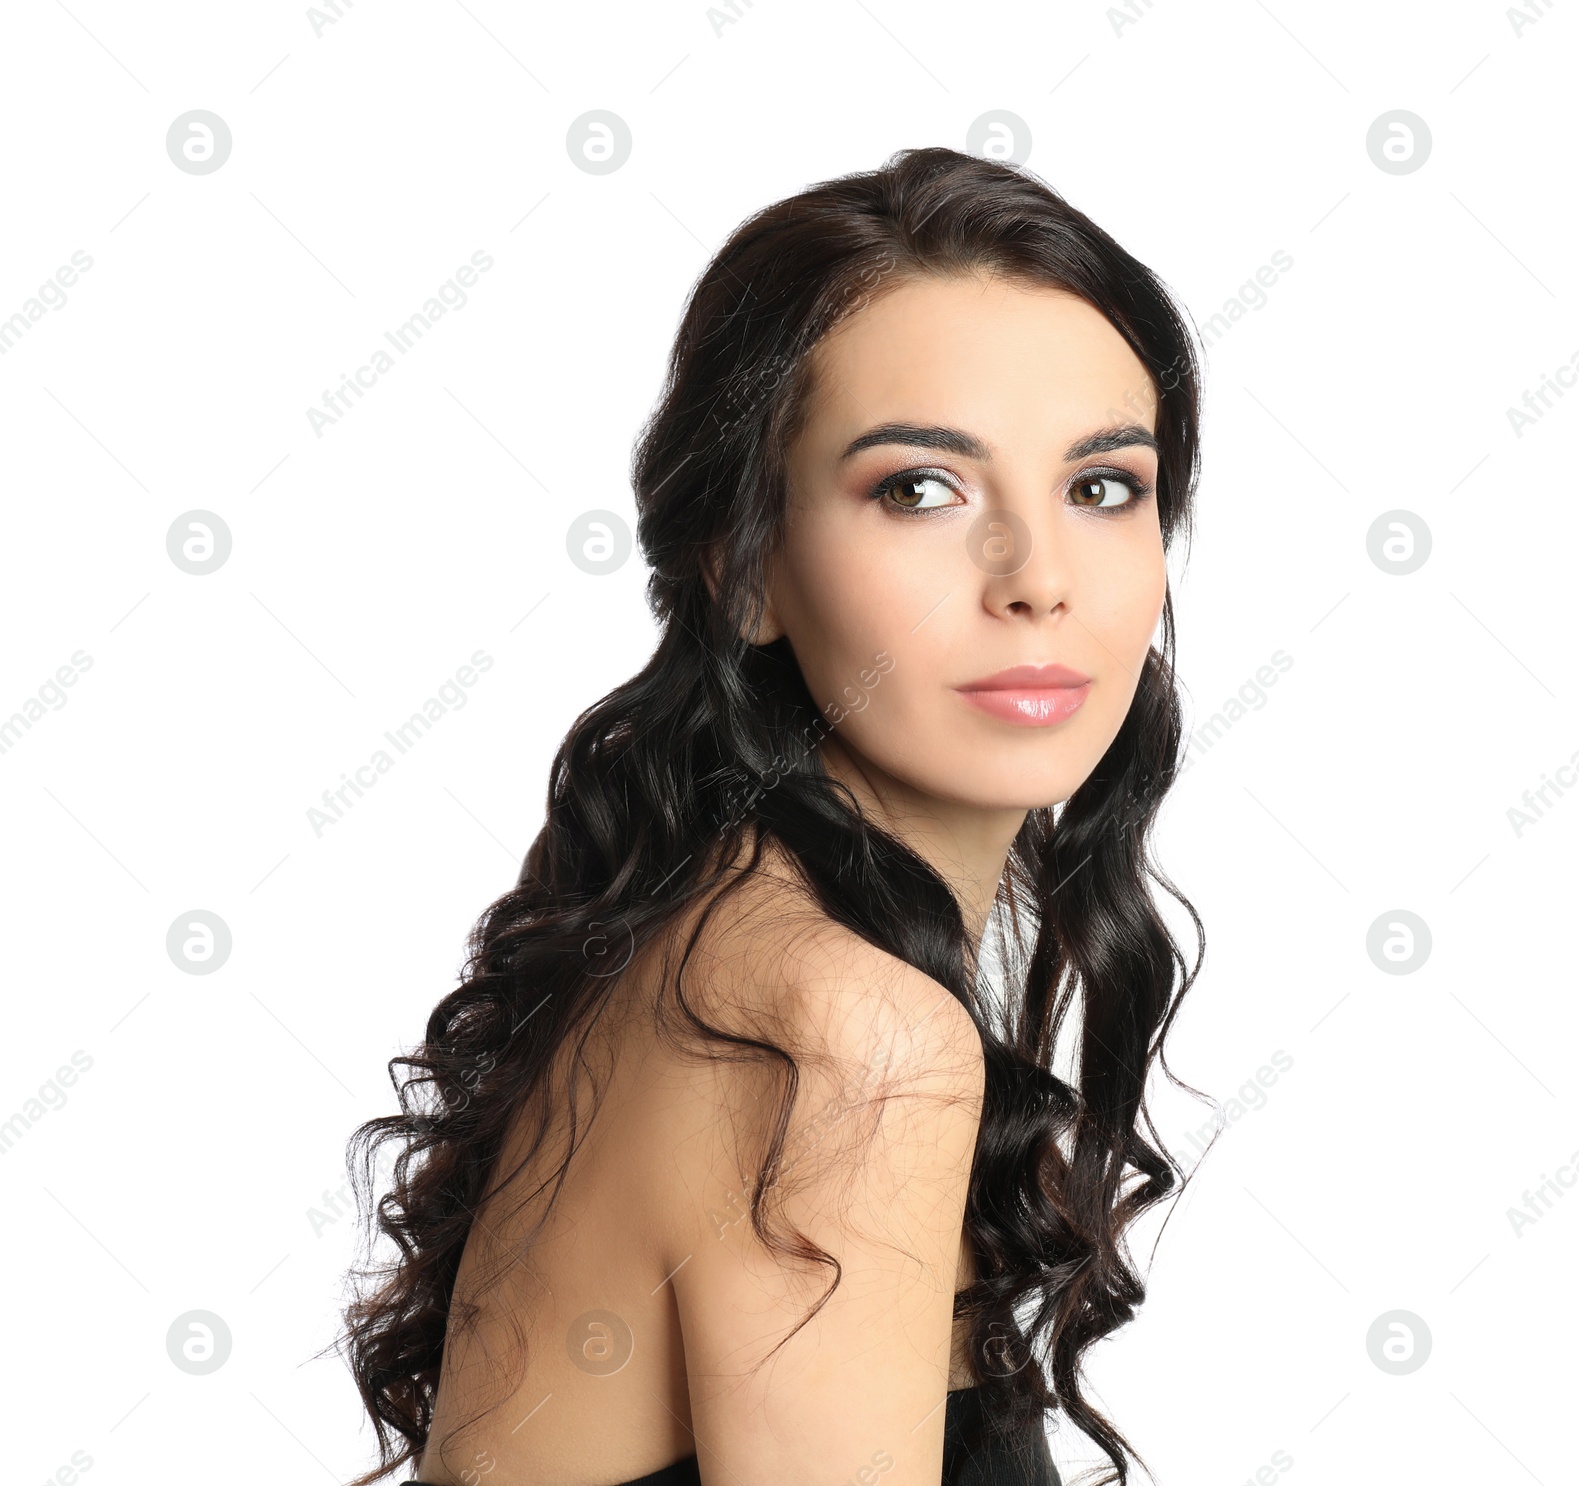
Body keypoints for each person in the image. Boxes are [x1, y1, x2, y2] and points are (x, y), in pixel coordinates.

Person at [335, 145, 1205, 1486]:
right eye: (920, 487)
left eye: (1103, 487)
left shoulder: (733, 937)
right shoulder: (844, 1039)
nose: (1038, 576)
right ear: (745, 571)